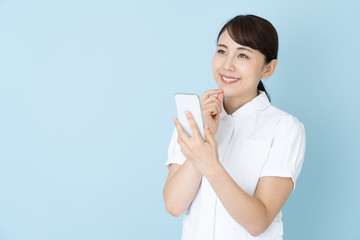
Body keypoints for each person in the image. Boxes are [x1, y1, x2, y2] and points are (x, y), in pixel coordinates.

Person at [163, 14, 306, 240]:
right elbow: (174, 204)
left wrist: (210, 164)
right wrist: (202, 135)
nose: (227, 65)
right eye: (221, 51)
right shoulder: (194, 120)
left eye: (242, 55)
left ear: (268, 69)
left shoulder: (284, 128)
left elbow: (259, 222)